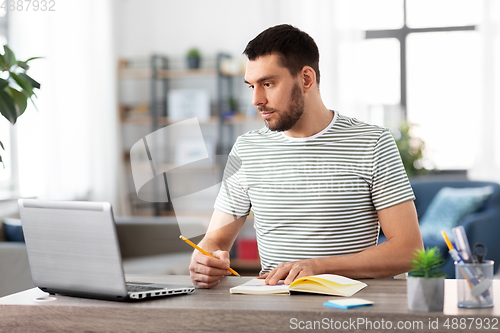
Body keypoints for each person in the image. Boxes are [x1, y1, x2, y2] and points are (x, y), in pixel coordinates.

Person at [189, 24, 423, 288]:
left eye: (268, 83)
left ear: (306, 79)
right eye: (251, 86)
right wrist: (204, 259)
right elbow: (215, 241)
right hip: (273, 308)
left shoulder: (372, 143)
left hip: (351, 307)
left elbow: (409, 251)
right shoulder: (246, 149)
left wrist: (317, 267)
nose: (256, 99)